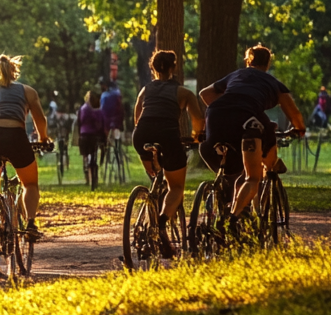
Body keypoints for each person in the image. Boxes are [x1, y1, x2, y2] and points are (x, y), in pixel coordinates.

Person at [199, 44, 306, 227]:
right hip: (248, 116)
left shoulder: (236, 75)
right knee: (256, 166)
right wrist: (299, 129)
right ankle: (235, 215)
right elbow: (294, 113)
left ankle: (225, 193)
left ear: (249, 60)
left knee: (231, 165)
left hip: (217, 114)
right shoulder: (273, 83)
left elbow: (205, 93)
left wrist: (228, 107)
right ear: (268, 63)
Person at [131, 50, 206, 257]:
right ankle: (161, 223)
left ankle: (151, 202)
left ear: (153, 68)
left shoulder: (146, 90)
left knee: (155, 175)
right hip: (168, 136)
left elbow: (137, 117)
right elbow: (198, 120)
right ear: (173, 68)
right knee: (176, 186)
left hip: (142, 135)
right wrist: (196, 136)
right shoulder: (183, 92)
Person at [0, 55, 50, 248]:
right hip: (17, 138)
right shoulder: (28, 92)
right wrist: (43, 139)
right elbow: (40, 120)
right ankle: (30, 223)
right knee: (30, 184)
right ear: (14, 72)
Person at [76, 91, 107, 190]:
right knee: (94, 156)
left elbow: (79, 122)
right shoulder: (98, 110)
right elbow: (101, 124)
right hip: (94, 135)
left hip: (84, 135)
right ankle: (95, 178)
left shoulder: (83, 109)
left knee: (85, 157)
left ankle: (87, 178)